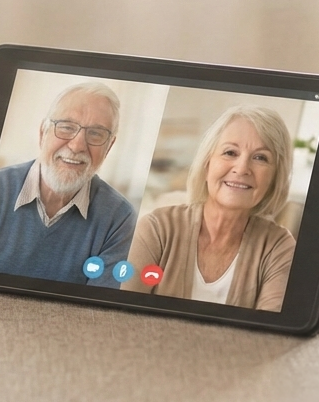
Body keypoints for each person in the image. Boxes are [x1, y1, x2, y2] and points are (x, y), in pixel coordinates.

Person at [122, 105, 296, 311]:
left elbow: (269, 335)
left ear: (275, 178)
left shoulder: (279, 247)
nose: (241, 169)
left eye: (260, 157)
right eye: (230, 152)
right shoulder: (156, 228)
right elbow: (123, 314)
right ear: (207, 165)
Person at [0, 82, 137, 287]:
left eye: (96, 134)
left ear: (109, 147)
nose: (77, 146)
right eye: (66, 127)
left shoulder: (120, 218)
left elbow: (98, 313)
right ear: (43, 133)